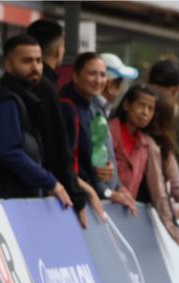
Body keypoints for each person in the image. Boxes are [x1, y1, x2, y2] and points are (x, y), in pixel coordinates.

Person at [0, 34, 73, 207]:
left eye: (38, 61)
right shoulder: (7, 101)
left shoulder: (22, 98)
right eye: (27, 61)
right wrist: (50, 182)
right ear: (9, 65)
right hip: (2, 202)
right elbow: (9, 152)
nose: (35, 67)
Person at [109, 84, 179, 257]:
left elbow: (159, 193)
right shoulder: (107, 132)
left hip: (123, 222)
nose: (145, 112)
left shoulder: (149, 146)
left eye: (150, 108)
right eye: (141, 105)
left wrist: (177, 233)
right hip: (101, 215)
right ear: (126, 105)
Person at [59, 52, 136, 219]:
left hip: (97, 196)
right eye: (92, 74)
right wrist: (104, 191)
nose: (99, 80)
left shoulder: (95, 106)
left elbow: (99, 157)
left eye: (102, 75)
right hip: (75, 202)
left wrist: (116, 186)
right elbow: (69, 163)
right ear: (76, 76)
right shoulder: (68, 107)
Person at [27, 18, 87, 225]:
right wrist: (77, 197)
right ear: (60, 50)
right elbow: (57, 149)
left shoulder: (26, 86)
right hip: (41, 192)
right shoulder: (46, 88)